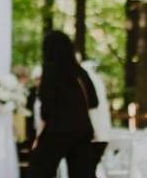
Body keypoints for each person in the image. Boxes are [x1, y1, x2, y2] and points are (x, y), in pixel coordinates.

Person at [29, 31, 99, 178]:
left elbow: (46, 107)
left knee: (39, 171)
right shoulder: (80, 72)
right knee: (82, 174)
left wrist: (38, 136)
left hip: (56, 130)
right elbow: (94, 101)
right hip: (82, 130)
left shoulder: (50, 71)